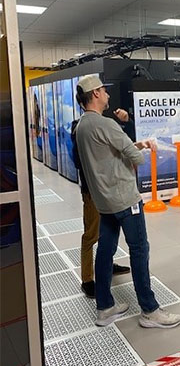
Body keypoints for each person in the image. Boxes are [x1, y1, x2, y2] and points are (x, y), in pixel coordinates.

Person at [74, 75, 180, 328]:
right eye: (104, 90)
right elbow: (136, 158)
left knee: (105, 250)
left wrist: (135, 144)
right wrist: (136, 142)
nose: (108, 95)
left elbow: (107, 155)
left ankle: (105, 307)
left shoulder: (82, 126)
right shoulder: (107, 124)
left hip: (104, 201)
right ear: (95, 94)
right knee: (139, 249)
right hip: (124, 199)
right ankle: (149, 310)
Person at [71, 107, 132, 298]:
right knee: (91, 234)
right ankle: (87, 279)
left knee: (109, 232)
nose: (107, 95)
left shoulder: (105, 125)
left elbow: (124, 147)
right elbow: (80, 161)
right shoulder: (80, 128)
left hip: (110, 190)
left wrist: (124, 123)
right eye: (104, 92)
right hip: (93, 192)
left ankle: (107, 264)